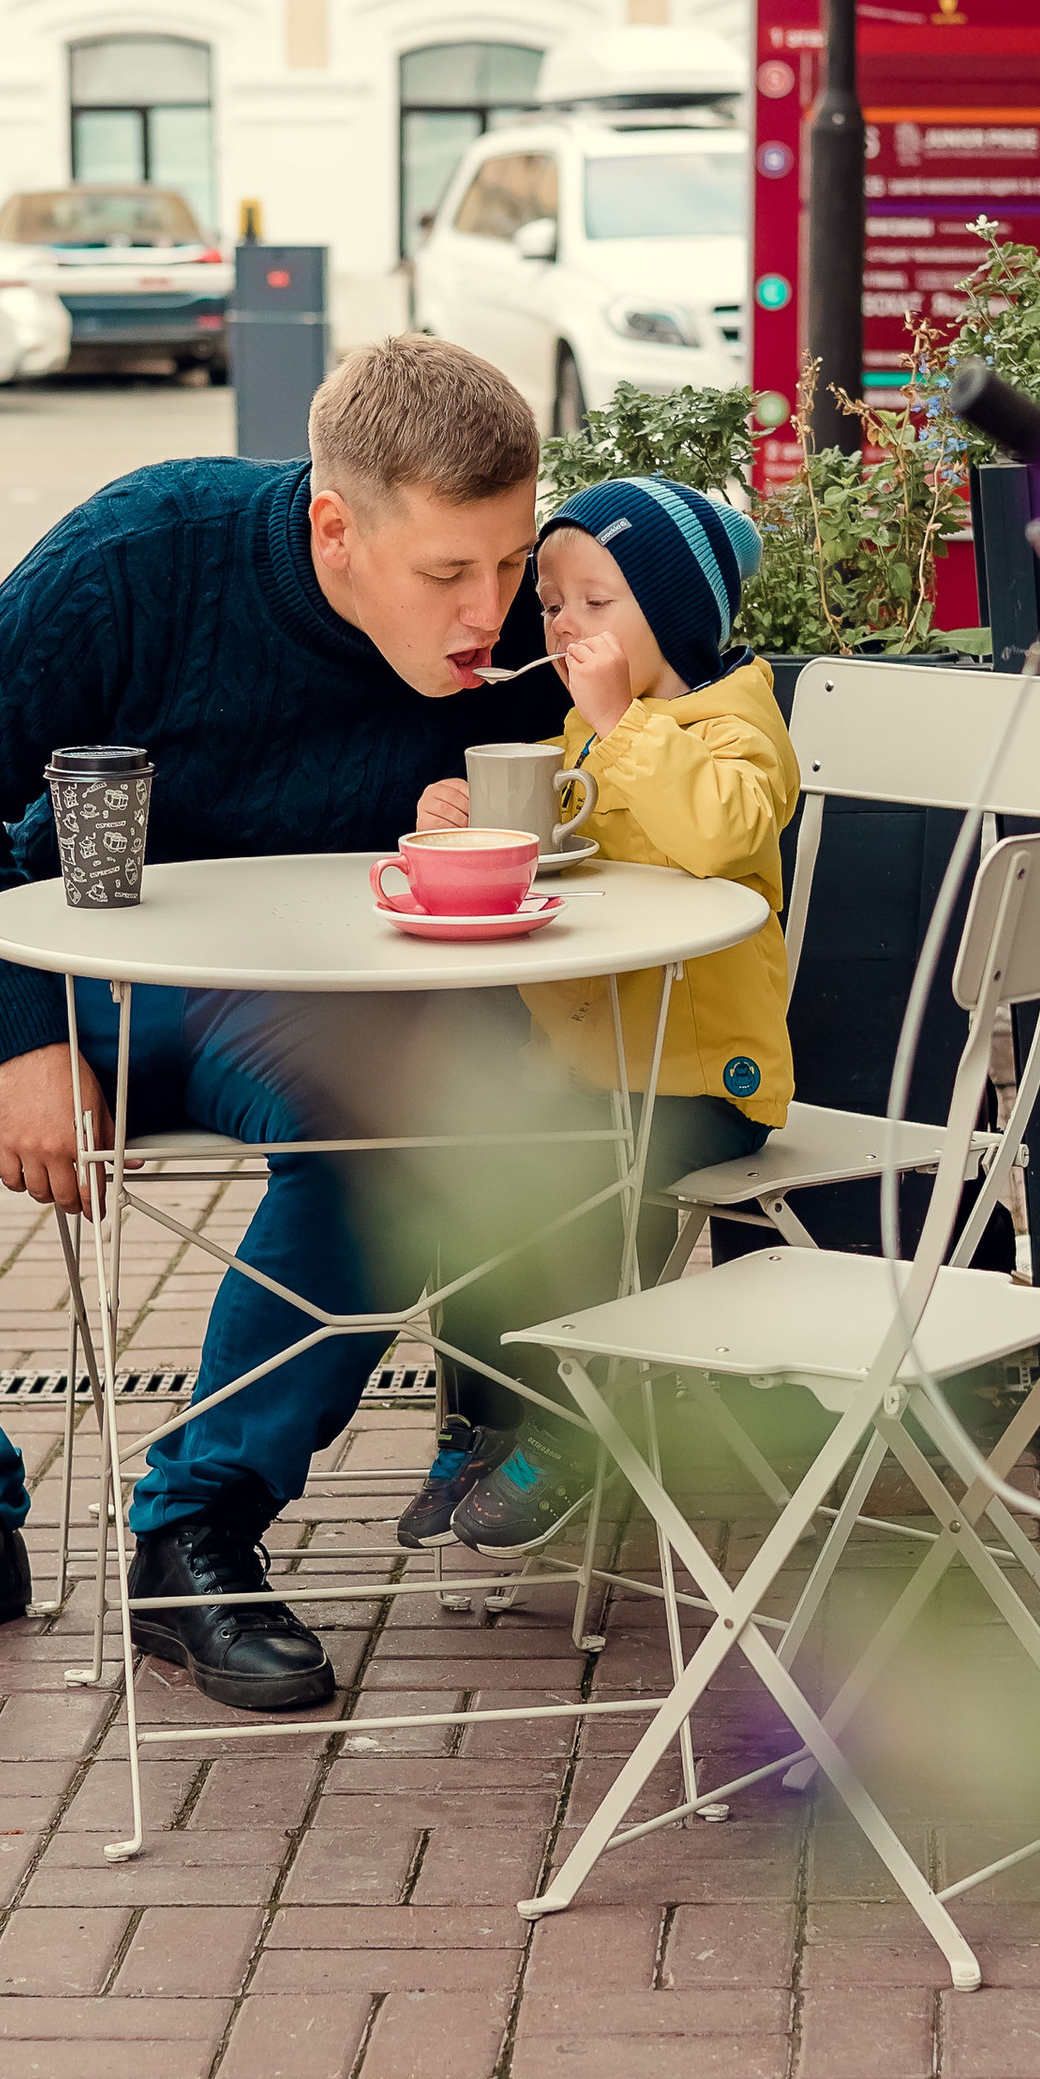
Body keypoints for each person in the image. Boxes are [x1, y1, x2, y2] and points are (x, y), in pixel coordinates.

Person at [0, 333, 557, 1710]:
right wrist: (19, 1038)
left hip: (312, 1000)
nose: (492, 608)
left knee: (400, 1129)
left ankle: (199, 1535)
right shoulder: (144, 550)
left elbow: (650, 757)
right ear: (335, 525)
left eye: (511, 561)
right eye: (447, 576)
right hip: (77, 959)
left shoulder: (533, 617)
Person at [395, 473, 800, 1557]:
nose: (566, 624)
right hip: (586, 1065)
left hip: (707, 1078)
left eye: (598, 601)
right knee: (479, 1192)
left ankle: (576, 1430)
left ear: (677, 617)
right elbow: (579, 847)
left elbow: (719, 835)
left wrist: (621, 722)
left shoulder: (734, 724)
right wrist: (475, 822)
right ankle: (479, 1422)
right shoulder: (589, 729)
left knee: (574, 1196)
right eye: (554, 605)